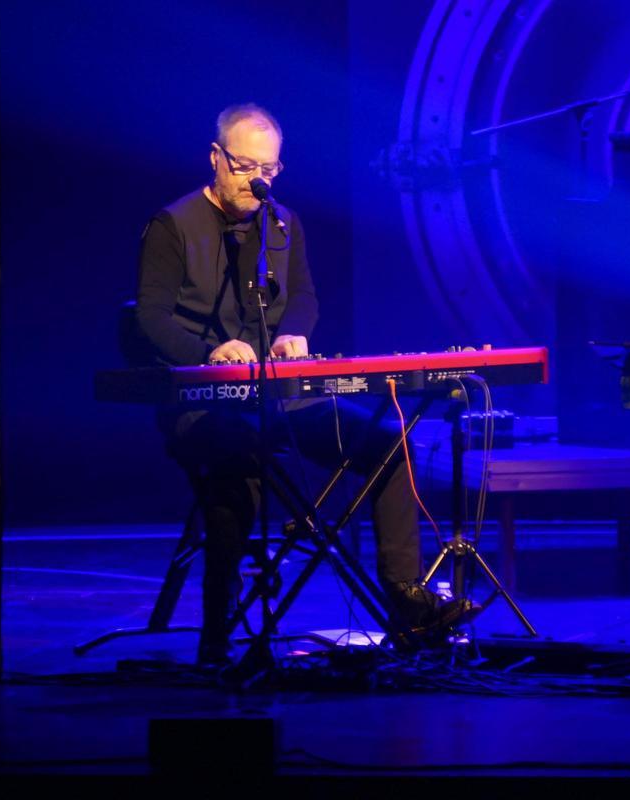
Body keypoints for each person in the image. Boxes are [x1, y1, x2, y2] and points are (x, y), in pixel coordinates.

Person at [135, 103, 453, 665]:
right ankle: (219, 633)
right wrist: (210, 352)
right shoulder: (173, 225)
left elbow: (303, 297)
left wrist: (295, 335)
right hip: (204, 405)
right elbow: (151, 318)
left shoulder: (282, 223)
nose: (256, 179)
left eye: (269, 169)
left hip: (280, 396)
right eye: (243, 165)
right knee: (238, 464)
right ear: (215, 158)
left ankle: (406, 601)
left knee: (388, 445)